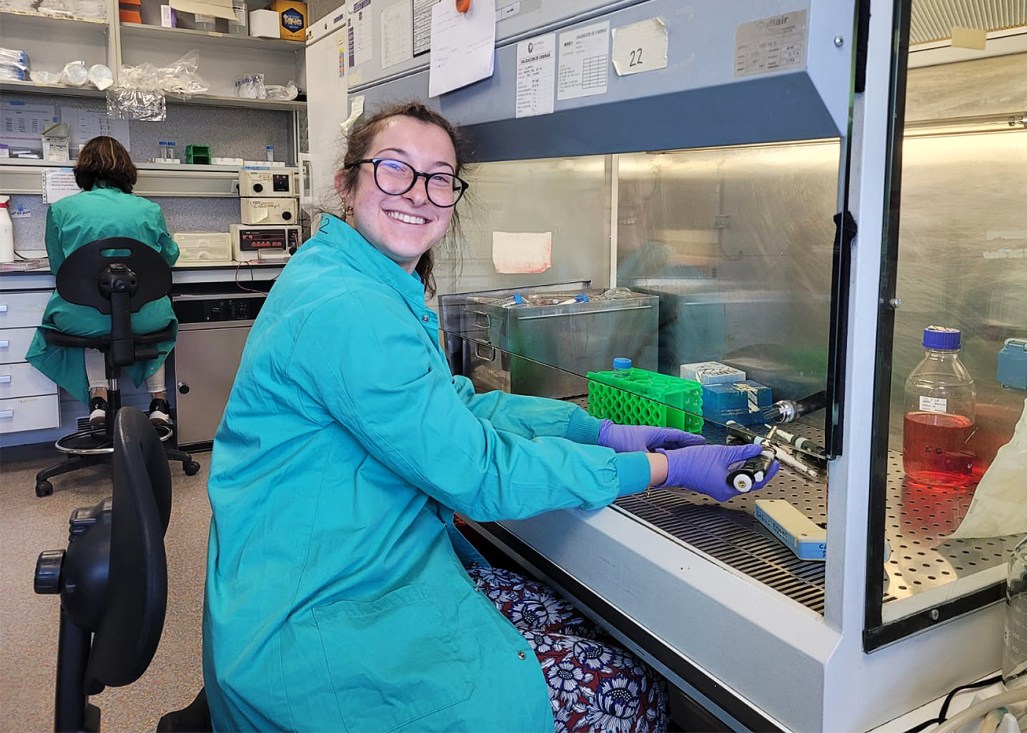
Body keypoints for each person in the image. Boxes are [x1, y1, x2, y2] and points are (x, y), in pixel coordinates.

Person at [202, 101, 780, 733]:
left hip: (345, 568)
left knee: (573, 626)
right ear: (347, 182)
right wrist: (659, 466)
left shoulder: (353, 276)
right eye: (394, 169)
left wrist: (596, 429)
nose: (418, 195)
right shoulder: (349, 307)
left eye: (440, 178)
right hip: (317, 616)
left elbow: (456, 406)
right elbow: (479, 473)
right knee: (625, 686)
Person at [26, 136, 179, 428]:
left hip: (84, 319)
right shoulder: (149, 210)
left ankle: (98, 399)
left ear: (84, 169)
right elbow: (167, 260)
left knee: (92, 312)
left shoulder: (61, 210)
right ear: (127, 169)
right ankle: (159, 402)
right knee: (152, 310)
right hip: (145, 319)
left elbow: (61, 271)